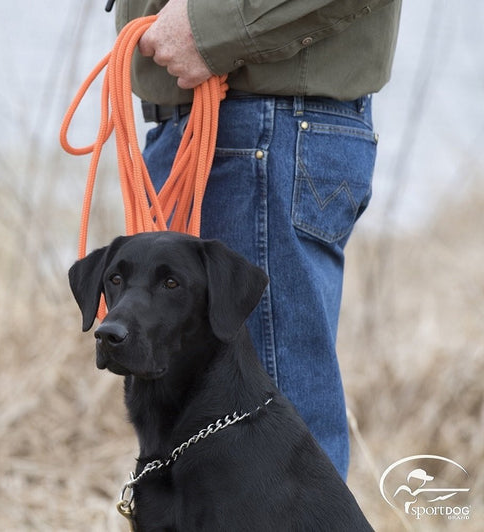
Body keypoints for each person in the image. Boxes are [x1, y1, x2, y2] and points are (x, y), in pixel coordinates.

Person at [110, 0, 402, 479]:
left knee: (275, 457)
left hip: (255, 132)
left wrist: (208, 30)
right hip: (206, 129)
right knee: (205, 459)